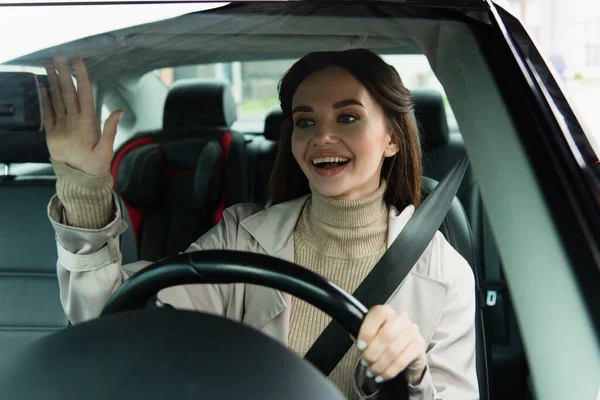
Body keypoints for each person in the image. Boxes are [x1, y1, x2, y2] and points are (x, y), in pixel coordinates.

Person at [43, 49, 478, 399]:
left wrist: (412, 376)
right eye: (305, 121)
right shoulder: (243, 236)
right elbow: (111, 324)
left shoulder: (445, 274)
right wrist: (84, 192)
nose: (321, 137)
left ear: (392, 139)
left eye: (347, 117)